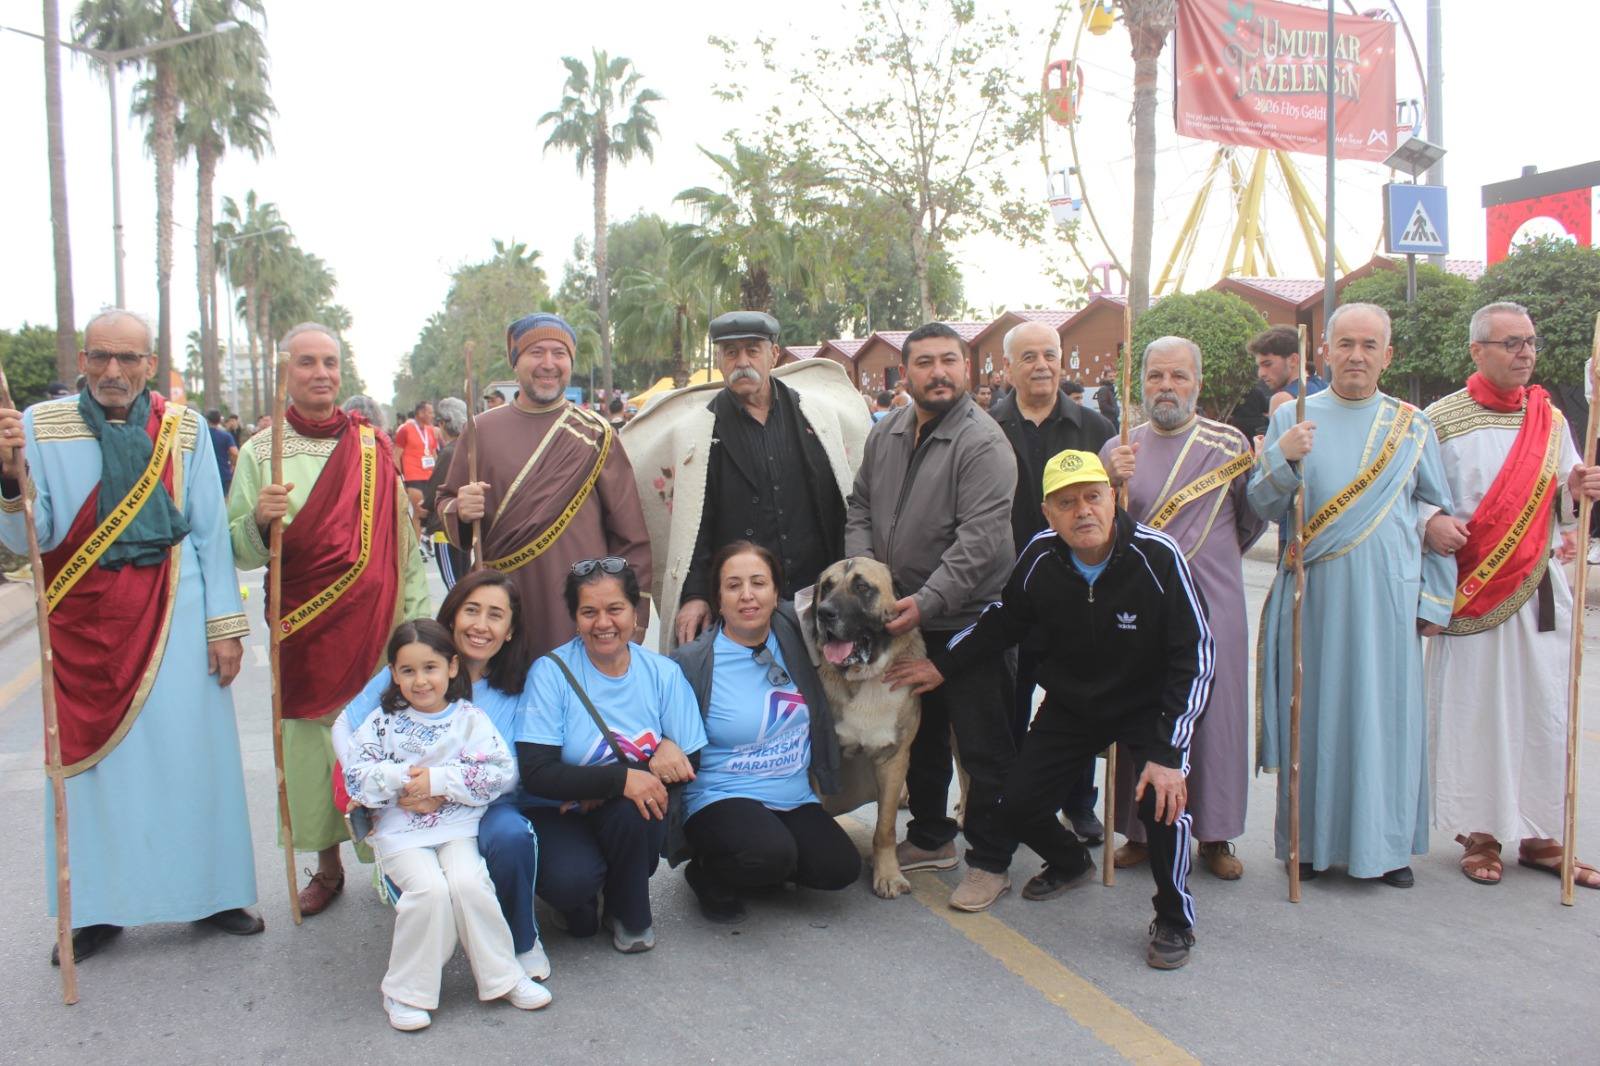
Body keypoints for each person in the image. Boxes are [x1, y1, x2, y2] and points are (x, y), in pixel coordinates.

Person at [0, 308, 261, 964]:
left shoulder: (186, 428)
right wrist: (9, 478)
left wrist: (224, 628)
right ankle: (92, 910)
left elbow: (207, 531)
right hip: (83, 626)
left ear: (149, 364)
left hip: (176, 612)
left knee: (192, 756)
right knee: (94, 772)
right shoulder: (37, 427)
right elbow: (28, 539)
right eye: (98, 357)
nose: (112, 371)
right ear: (83, 361)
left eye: (127, 359)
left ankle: (215, 891)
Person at [891, 449, 1212, 969]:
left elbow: (1195, 653)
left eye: (1092, 496)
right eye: (1067, 503)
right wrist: (943, 665)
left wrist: (1169, 752)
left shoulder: (1157, 555)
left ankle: (1175, 918)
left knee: (1164, 803)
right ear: (1048, 513)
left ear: (1112, 497)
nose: (1082, 511)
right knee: (1013, 803)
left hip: (1148, 705)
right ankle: (1069, 860)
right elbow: (1003, 620)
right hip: (1074, 703)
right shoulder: (1041, 556)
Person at [228, 321, 432, 917]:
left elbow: (403, 543)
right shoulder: (259, 454)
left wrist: (416, 625)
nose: (321, 374)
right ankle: (326, 866)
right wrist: (258, 523)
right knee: (312, 750)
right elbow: (237, 551)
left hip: (374, 629)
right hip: (302, 631)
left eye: (330, 363)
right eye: (307, 363)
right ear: (285, 372)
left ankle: (392, 859)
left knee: (378, 744)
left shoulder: (372, 446)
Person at [1249, 302, 1454, 886]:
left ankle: (1386, 849)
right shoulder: (1292, 415)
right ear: (1325, 352)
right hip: (1312, 597)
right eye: (1346, 344)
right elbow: (1262, 505)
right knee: (1313, 719)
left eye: (1369, 345)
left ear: (1387, 355)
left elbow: (1436, 515)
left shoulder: (1412, 426)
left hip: (1387, 600)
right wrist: (1285, 458)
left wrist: (1434, 602)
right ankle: (1308, 845)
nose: (1357, 355)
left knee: (1383, 719)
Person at [1423, 302, 1600, 890]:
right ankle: (1481, 833)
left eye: (1529, 342)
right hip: (1471, 590)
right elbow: (1413, 496)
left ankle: (1543, 833)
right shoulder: (1441, 419)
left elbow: (1567, 499)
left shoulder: (1550, 419)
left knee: (1543, 709)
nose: (1524, 353)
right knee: (1477, 709)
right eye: (1510, 343)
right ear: (1477, 351)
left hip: (1539, 587)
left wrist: (1577, 491)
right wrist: (1430, 522)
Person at [849, 322, 1021, 913]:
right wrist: (864, 575)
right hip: (903, 615)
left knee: (981, 744)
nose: (938, 372)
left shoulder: (984, 443)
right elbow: (861, 506)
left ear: (967, 369)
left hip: (969, 614)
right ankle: (930, 837)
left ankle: (991, 862)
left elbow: (978, 545)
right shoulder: (887, 432)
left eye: (949, 360)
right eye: (924, 362)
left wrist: (920, 604)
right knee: (918, 735)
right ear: (906, 372)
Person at [335, 569, 551, 979]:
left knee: (509, 837)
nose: (481, 625)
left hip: (486, 805)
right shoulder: (414, 668)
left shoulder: (520, 685)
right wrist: (378, 786)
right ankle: (417, 976)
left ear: (509, 631)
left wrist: (440, 786)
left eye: (495, 615)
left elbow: (513, 770)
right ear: (452, 616)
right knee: (433, 890)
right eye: (472, 610)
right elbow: (346, 728)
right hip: (407, 808)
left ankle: (523, 939)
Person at [1102, 337, 1266, 880]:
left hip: (1214, 600)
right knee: (1144, 713)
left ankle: (1215, 836)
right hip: (1142, 608)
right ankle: (1142, 832)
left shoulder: (1227, 443)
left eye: (1178, 376)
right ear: (1141, 383)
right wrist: (1110, 478)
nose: (1166, 386)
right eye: (1155, 377)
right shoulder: (1121, 446)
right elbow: (1100, 529)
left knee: (1214, 719)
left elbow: (1250, 519)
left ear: (1197, 382)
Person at [516, 558, 708, 952]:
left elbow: (691, 762)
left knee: (638, 807)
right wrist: (620, 779)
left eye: (614, 609)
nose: (603, 623)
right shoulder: (550, 673)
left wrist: (664, 752)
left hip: (623, 817)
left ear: (634, 611)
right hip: (559, 811)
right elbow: (537, 772)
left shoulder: (662, 673)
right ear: (575, 617)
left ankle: (627, 911)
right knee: (574, 891)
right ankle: (581, 900)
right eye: (589, 612)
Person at [437, 312, 652, 658]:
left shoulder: (596, 434)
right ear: (515, 362)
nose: (548, 364)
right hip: (505, 609)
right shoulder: (480, 431)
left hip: (581, 611)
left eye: (559, 353)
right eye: (536, 353)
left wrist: (631, 613)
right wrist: (459, 510)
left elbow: (630, 536)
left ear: (570, 362)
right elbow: (446, 502)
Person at [669, 542, 860, 922]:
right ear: (718, 599)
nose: (747, 596)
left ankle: (762, 861)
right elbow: (659, 726)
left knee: (839, 868)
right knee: (770, 854)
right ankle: (707, 872)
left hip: (791, 795)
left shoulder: (794, 634)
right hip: (721, 794)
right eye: (733, 585)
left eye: (758, 583)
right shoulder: (693, 662)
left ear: (777, 594)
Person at [988, 320, 1115, 843]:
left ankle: (1078, 803)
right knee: (1008, 702)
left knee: (1076, 701)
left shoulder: (1096, 428)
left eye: (1050, 355)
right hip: (1008, 589)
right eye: (1029, 357)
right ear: (1008, 368)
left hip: (1079, 589)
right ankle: (1011, 801)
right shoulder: (985, 428)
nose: (1041, 365)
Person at [667, 311, 862, 647]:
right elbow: (694, 523)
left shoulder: (814, 417)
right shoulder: (700, 431)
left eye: (752, 350)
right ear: (720, 361)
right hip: (743, 606)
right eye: (731, 352)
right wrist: (696, 594)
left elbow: (843, 502)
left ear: (774, 354)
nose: (742, 361)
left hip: (818, 597)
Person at [423, 397, 470, 588]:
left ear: (442, 423)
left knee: (454, 588)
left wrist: (423, 510)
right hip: (464, 527)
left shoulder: (450, 452)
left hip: (445, 528)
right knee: (464, 582)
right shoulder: (469, 447)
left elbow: (434, 491)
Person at [1251, 325, 1328, 418]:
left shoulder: (1282, 399)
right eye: (1259, 366)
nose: (1261, 374)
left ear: (1293, 360)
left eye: (1267, 364)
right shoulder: (1325, 388)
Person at [395, 400, 441, 506]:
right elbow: (396, 456)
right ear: (420, 413)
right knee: (419, 514)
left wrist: (438, 475)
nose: (433, 416)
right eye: (430, 413)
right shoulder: (405, 430)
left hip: (430, 478)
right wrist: (401, 480)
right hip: (413, 478)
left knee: (431, 514)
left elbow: (434, 454)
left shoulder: (430, 431)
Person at [205, 407, 238, 493]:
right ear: (219, 420)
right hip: (223, 472)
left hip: (206, 473)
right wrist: (233, 465)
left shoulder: (203, 436)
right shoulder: (226, 436)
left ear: (207, 420)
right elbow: (234, 452)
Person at [1095, 366, 1120, 432]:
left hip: (1114, 421)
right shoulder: (1103, 389)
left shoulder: (1111, 388)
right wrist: (1114, 410)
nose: (1113, 378)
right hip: (1108, 422)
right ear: (1105, 377)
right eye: (1110, 376)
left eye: (1114, 376)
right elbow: (1102, 405)